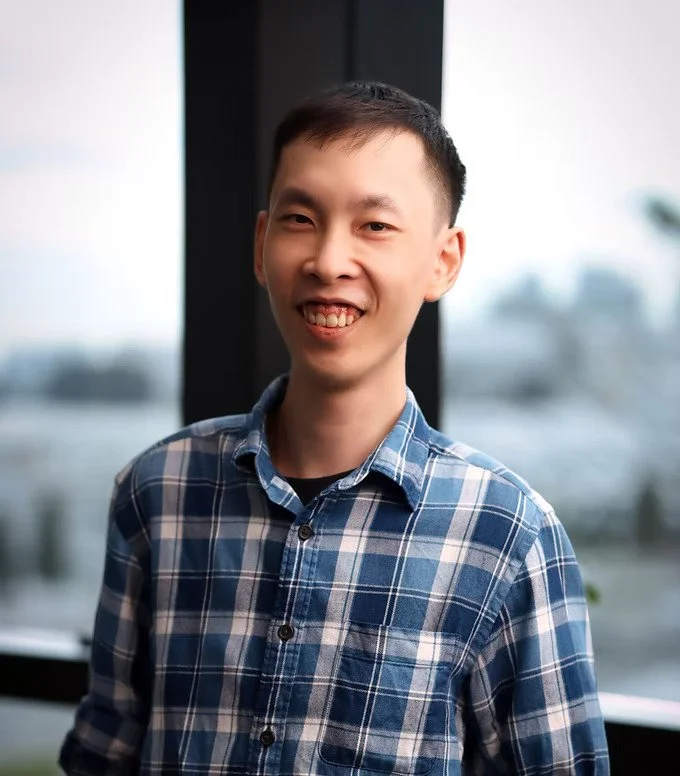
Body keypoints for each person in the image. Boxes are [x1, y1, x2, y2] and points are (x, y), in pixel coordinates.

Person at [60, 81, 610, 775]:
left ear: (443, 260)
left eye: (375, 225)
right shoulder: (158, 493)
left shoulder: (507, 536)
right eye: (300, 219)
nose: (327, 261)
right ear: (262, 246)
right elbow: (103, 755)